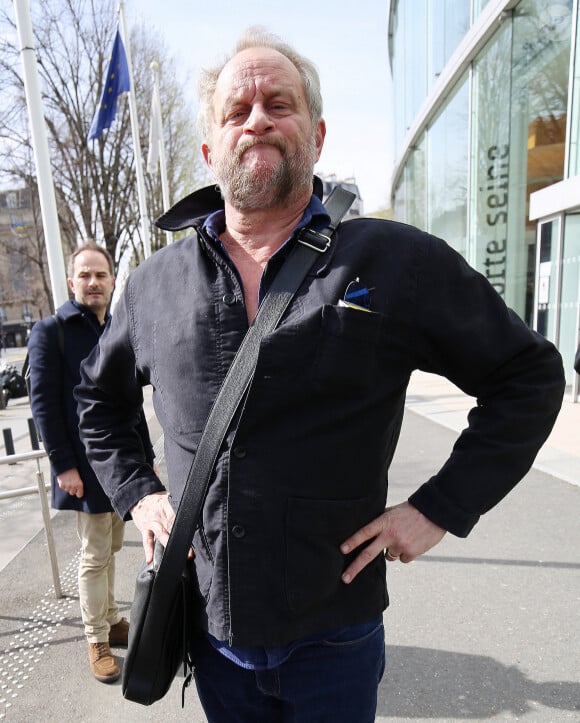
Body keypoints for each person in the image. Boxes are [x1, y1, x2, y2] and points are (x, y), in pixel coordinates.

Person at [76, 28, 565, 722]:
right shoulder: (154, 285)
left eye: (280, 103)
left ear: (317, 132)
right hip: (210, 633)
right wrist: (137, 492)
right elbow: (97, 398)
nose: (258, 118)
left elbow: (529, 375)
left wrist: (438, 509)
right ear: (212, 148)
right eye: (236, 110)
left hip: (336, 631)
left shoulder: (391, 260)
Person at [28, 242, 155, 685]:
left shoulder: (117, 328)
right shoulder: (52, 331)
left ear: (112, 280)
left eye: (100, 275)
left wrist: (148, 461)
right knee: (94, 553)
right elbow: (43, 405)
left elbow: (131, 402)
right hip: (83, 466)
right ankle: (96, 638)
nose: (93, 282)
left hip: (122, 466)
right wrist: (63, 465)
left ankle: (110, 617)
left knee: (112, 548)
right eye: (84, 275)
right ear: (71, 282)